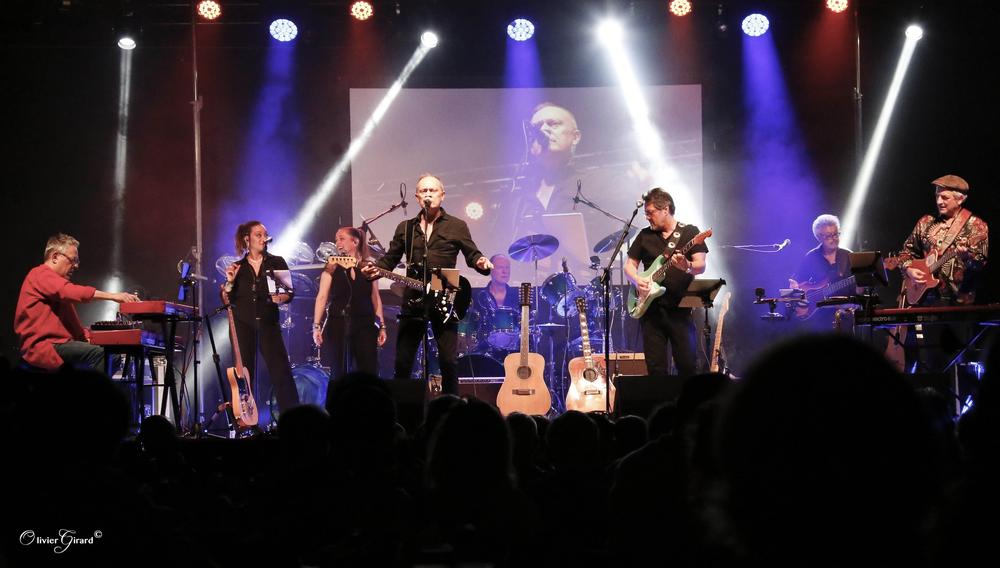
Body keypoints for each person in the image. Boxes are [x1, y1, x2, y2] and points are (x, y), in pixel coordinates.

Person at [361, 174, 494, 395]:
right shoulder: (406, 228)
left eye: (433, 190)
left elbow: (472, 254)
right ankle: (403, 407)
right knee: (403, 360)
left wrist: (481, 262)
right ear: (416, 197)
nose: (428, 194)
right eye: (424, 191)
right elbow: (390, 259)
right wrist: (374, 270)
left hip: (446, 294)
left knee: (448, 360)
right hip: (414, 298)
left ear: (442, 195)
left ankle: (450, 405)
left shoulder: (457, 225)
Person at [897, 175, 989, 372]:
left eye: (945, 197)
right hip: (928, 303)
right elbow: (905, 252)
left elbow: (979, 264)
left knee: (958, 360)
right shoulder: (926, 222)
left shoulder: (976, 226)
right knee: (932, 361)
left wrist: (966, 257)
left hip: (959, 304)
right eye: (937, 196)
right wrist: (909, 269)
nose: (939, 201)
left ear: (960, 199)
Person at [14, 233, 140, 371]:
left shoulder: (57, 288)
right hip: (43, 347)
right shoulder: (39, 274)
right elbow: (74, 292)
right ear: (55, 257)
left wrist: (100, 337)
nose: (76, 266)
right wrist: (113, 296)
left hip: (58, 345)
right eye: (73, 260)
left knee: (110, 354)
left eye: (77, 261)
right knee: (105, 356)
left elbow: (76, 329)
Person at [624, 188, 708, 377]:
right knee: (656, 369)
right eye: (645, 213)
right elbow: (629, 266)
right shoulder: (645, 235)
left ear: (665, 209)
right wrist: (637, 280)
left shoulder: (690, 232)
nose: (647, 217)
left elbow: (700, 265)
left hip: (680, 311)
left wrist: (687, 266)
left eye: (650, 212)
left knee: (687, 366)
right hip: (651, 312)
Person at [222, 221, 300, 415]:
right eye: (258, 234)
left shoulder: (276, 262)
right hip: (242, 324)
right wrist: (230, 281)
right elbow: (227, 298)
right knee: (243, 374)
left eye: (265, 234)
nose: (264, 238)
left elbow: (289, 293)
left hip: (268, 323)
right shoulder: (238, 267)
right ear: (247, 239)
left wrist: (282, 297)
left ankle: (292, 418)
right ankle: (245, 419)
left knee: (281, 372)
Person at [312, 226, 387, 378]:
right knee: (338, 371)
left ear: (355, 242)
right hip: (338, 323)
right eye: (336, 240)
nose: (337, 243)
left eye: (341, 239)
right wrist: (316, 326)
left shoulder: (368, 267)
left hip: (365, 324)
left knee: (368, 371)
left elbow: (375, 297)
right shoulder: (332, 267)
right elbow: (322, 297)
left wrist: (382, 326)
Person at [788, 214, 854, 324]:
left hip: (846, 311)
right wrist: (796, 290)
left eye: (836, 234)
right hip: (819, 315)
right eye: (829, 236)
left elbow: (860, 289)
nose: (834, 239)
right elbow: (797, 282)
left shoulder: (849, 256)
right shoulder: (811, 257)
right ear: (819, 238)